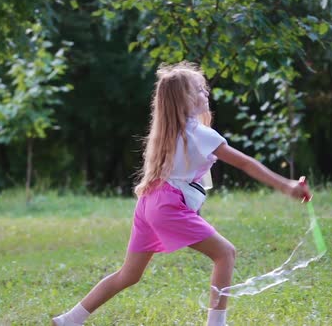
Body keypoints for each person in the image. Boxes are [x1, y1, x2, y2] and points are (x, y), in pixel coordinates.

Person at [52, 62, 312, 326]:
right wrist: (286, 185)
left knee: (129, 274)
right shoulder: (199, 133)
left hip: (149, 203)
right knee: (225, 254)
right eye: (199, 90)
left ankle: (70, 319)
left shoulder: (170, 132)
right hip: (167, 206)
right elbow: (245, 163)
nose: (206, 94)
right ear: (184, 100)